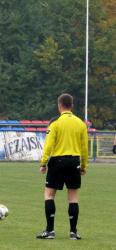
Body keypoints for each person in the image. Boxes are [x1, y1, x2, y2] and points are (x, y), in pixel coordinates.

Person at [37, 94, 88, 240]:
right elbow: (84, 148)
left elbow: (49, 145)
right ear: (71, 106)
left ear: (59, 106)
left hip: (57, 162)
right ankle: (73, 232)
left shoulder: (55, 123)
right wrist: (83, 165)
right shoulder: (80, 124)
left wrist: (43, 163)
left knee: (49, 195)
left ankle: (50, 231)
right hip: (74, 162)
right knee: (73, 198)